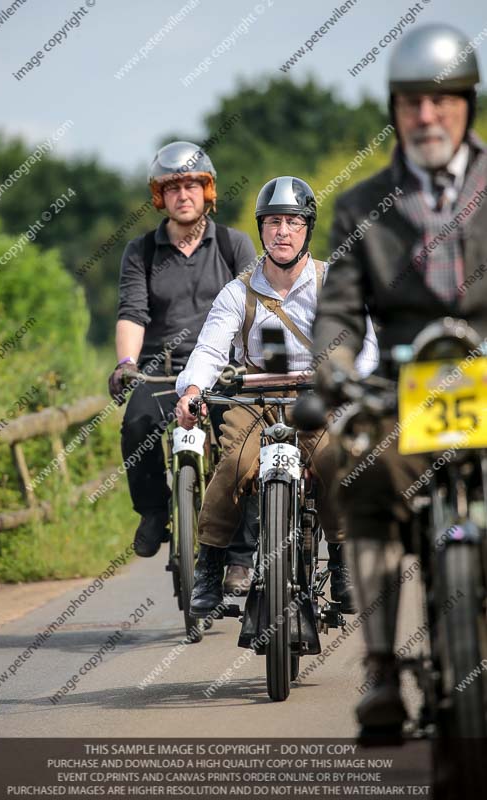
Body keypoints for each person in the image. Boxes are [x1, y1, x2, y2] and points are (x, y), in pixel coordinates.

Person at [311, 23, 487, 735]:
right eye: (411, 102)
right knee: (356, 470)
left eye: (441, 101)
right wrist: (335, 374)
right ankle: (381, 669)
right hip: (406, 395)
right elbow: (338, 316)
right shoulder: (359, 207)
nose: (426, 117)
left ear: (466, 105)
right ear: (394, 110)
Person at [175, 176, 378, 617]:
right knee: (233, 463)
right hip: (254, 402)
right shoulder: (237, 292)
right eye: (272, 222)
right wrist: (192, 389)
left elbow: (365, 349)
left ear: (307, 228)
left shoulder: (333, 283)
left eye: (292, 222)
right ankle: (209, 567)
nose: (282, 231)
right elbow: (210, 349)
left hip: (319, 401)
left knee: (333, 461)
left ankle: (341, 564)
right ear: (261, 229)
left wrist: (353, 386)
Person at [109, 141, 257, 594]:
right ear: (160, 196)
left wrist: (253, 364)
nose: (183, 194)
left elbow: (257, 305)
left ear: (208, 190)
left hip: (222, 370)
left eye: (192, 184)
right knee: (136, 423)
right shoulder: (141, 252)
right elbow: (133, 313)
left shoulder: (234, 245)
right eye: (172, 187)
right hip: (163, 370)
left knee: (247, 441)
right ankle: (155, 512)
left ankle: (237, 556)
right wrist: (127, 364)